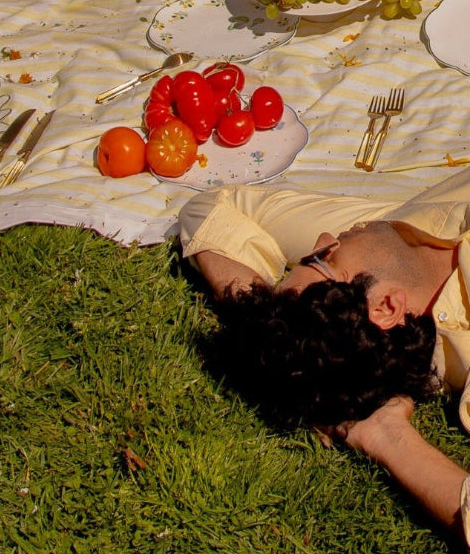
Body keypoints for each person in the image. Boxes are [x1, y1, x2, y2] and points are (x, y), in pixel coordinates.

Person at [177, 168, 470, 545]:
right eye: (321, 260)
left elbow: (211, 210)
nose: (324, 239)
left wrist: (271, 320)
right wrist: (387, 436)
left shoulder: (373, 248)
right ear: (384, 308)